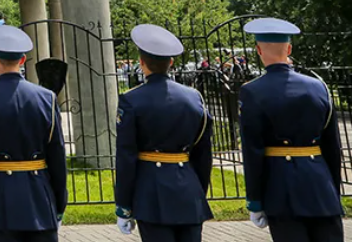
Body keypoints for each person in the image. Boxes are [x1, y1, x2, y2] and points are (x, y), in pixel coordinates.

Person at [239, 18, 343, 242]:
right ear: (289, 49)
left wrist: (255, 201)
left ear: (258, 50)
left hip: (281, 191)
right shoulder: (319, 87)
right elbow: (333, 146)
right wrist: (334, 190)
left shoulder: (252, 92)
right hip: (321, 187)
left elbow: (253, 151)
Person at [114, 25, 214, 242]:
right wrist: (198, 191)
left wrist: (123, 205)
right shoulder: (194, 97)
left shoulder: (131, 100)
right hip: (189, 190)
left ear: (141, 63)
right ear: (171, 63)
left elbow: (126, 156)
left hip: (151, 193)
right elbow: (203, 154)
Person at [0, 25, 66, 242]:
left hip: (1, 204)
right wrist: (59, 205)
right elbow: (57, 157)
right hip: (40, 199)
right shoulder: (47, 98)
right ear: (23, 61)